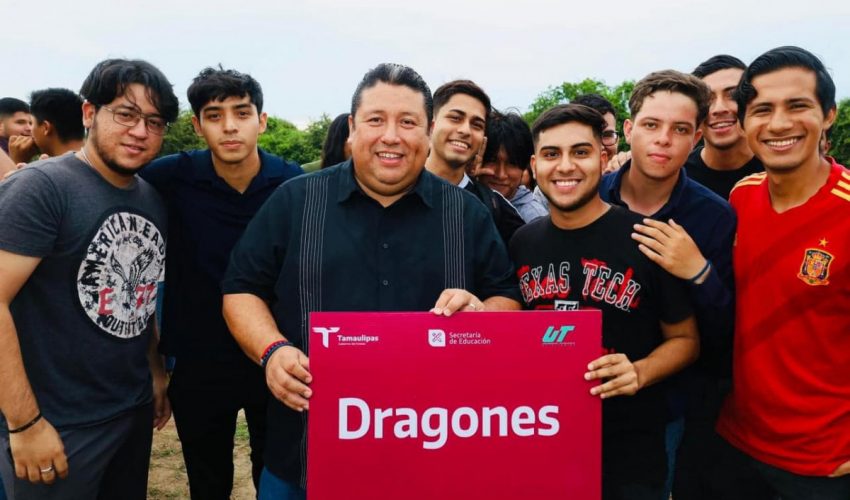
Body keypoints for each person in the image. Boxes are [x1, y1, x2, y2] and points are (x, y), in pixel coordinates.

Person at [221, 63, 521, 499]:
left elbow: (507, 298)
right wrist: (272, 350)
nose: (392, 136)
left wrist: (481, 313)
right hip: (304, 455)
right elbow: (241, 289)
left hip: (435, 453)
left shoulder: (467, 214)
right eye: (376, 120)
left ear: (429, 130)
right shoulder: (295, 201)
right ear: (351, 127)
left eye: (408, 122)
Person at [0, 58, 178, 500]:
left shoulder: (151, 198)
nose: (140, 131)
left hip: (129, 411)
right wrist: (25, 423)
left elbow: (139, 296)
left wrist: (155, 371)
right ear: (88, 114)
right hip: (58, 424)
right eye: (126, 113)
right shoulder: (41, 189)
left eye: (154, 121)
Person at [509, 103, 698, 500]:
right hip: (545, 436)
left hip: (630, 448)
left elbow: (686, 340)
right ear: (534, 164)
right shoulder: (522, 243)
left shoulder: (646, 238)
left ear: (604, 156)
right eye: (550, 154)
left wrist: (641, 371)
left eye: (580, 151)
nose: (565, 166)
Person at [139, 66, 302, 499]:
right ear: (197, 125)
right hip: (197, 356)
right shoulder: (170, 177)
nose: (229, 126)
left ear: (261, 120)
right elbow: (104, 181)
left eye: (242, 112)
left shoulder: (294, 185)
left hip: (276, 352)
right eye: (214, 115)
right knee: (207, 479)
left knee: (277, 472)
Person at [716, 46, 850, 500]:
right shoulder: (741, 197)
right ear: (745, 123)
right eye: (761, 110)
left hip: (824, 463)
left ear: (828, 115)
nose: (778, 124)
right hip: (737, 443)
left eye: (798, 106)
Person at [602, 70, 736, 497]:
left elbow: (726, 328)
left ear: (697, 137)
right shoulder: (592, 197)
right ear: (629, 129)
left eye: (680, 129)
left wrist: (699, 272)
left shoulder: (714, 216)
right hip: (579, 395)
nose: (663, 139)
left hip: (666, 406)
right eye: (651, 125)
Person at [424, 79, 525, 245]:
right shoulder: (393, 191)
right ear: (431, 125)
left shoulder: (494, 207)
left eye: (476, 125)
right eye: (455, 118)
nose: (465, 130)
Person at [685, 55, 764, 199]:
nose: (719, 109)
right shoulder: (677, 176)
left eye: (733, 95)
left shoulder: (779, 169)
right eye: (707, 99)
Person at [473, 109, 547, 222]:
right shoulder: (463, 198)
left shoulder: (533, 219)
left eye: (512, 163)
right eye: (492, 160)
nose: (501, 175)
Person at [26, 88, 85, 159]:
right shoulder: (96, 161)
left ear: (46, 128)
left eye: (31, 123)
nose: (29, 129)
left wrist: (16, 159)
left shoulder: (42, 169)